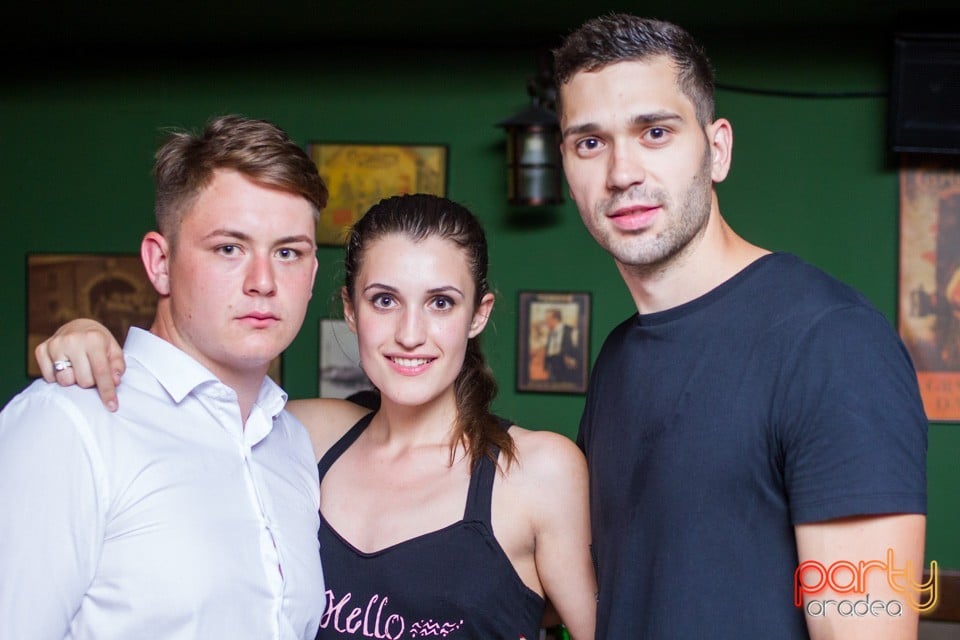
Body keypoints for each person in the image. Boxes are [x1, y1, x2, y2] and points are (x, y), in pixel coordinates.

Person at [35, 193, 598, 639]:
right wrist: (88, 340)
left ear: (478, 314)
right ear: (351, 309)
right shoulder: (299, 433)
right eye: (384, 300)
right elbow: (182, 414)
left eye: (441, 302)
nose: (410, 333)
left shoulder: (538, 471)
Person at [552, 14, 928, 639]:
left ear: (717, 150)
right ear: (567, 167)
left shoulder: (833, 342)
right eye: (590, 143)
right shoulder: (619, 355)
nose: (621, 173)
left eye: (655, 132)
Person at [0, 114, 328, 639]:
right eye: (229, 248)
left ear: (311, 275)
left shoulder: (290, 443)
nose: (263, 282)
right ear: (159, 263)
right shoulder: (68, 424)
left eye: (288, 252)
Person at [542, 307, 581, 384]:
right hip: (552, 370)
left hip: (566, 370)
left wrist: (573, 361)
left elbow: (578, 351)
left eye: (547, 319)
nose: (546, 322)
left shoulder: (572, 331)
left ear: (555, 319)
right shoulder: (551, 333)